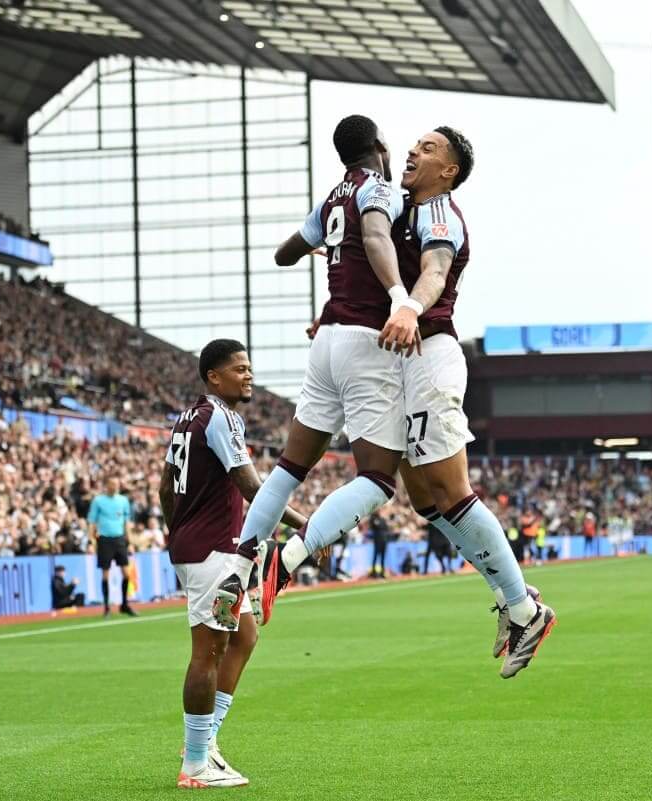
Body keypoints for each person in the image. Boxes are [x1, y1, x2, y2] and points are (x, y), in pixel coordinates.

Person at [214, 114, 418, 625]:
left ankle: (240, 565)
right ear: (379, 146)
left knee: (288, 468)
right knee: (376, 477)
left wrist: (327, 246)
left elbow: (285, 255)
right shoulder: (379, 189)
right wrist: (398, 298)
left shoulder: (331, 197)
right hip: (363, 340)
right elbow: (375, 236)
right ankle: (287, 559)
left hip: (324, 344)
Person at [386, 127, 554, 679]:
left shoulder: (439, 213)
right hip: (405, 361)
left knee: (451, 488)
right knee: (421, 497)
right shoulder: (404, 210)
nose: (413, 152)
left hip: (431, 352)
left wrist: (409, 307)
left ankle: (526, 610)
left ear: (450, 170)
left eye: (429, 148)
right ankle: (514, 598)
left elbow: (434, 271)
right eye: (414, 144)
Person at [160, 339, 307, 789]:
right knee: (208, 652)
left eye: (249, 367)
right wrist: (306, 524)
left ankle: (204, 742)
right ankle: (196, 764)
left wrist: (179, 532)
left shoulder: (187, 418)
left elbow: (167, 488)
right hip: (215, 555)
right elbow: (251, 488)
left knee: (244, 636)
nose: (248, 375)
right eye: (239, 369)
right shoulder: (222, 418)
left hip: (200, 548)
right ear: (213, 377)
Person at [87, 475, 136, 617]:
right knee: (105, 574)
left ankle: (124, 604)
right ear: (107, 485)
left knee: (126, 573)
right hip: (104, 539)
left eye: (117, 484)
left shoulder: (123, 501)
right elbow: (92, 522)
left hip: (119, 539)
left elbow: (127, 523)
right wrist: (90, 541)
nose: (115, 486)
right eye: (112, 484)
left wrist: (130, 542)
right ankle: (107, 606)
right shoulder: (98, 501)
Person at [367, 512, 390, 578]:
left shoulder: (382, 519)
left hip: (384, 540)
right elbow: (374, 526)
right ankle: (373, 572)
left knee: (382, 557)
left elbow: (386, 528)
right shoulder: (373, 519)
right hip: (377, 541)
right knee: (376, 556)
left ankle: (382, 572)